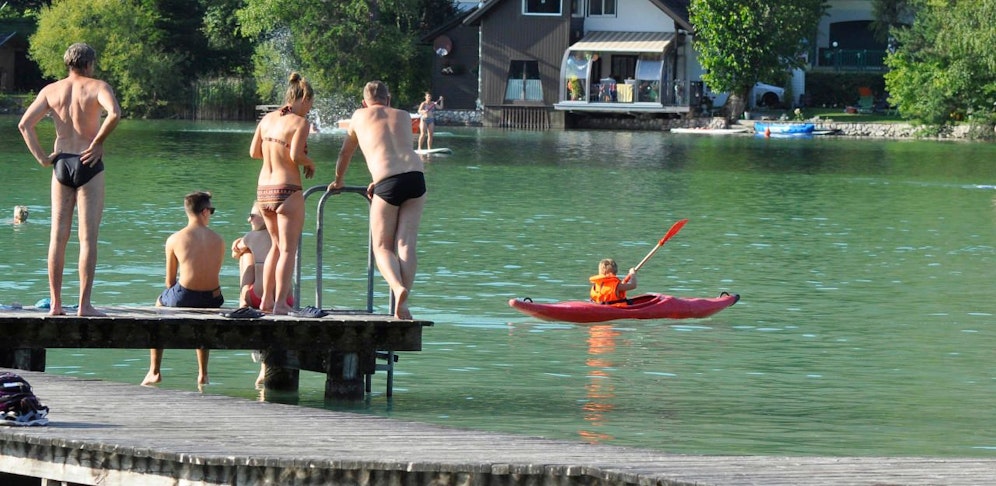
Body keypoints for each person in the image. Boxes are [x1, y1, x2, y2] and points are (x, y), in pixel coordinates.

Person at [17, 42, 122, 317]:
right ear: (90, 63)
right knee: (87, 239)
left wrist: (42, 158)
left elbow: (24, 125)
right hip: (89, 161)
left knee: (57, 237)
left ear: (68, 63)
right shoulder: (98, 87)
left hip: (62, 162)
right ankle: (84, 306)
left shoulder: (51, 90)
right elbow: (115, 113)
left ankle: (55, 305)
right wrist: (98, 141)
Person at [329, 81, 426, 320]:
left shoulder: (358, 117)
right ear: (389, 99)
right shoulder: (404, 115)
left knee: (382, 246)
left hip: (387, 182)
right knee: (406, 244)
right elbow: (396, 148)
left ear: (364, 103)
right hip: (416, 177)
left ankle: (397, 287)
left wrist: (338, 181)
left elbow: (345, 153)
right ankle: (403, 303)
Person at [249, 72, 316, 315]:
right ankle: (279, 304)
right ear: (304, 98)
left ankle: (266, 300)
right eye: (310, 104)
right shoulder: (300, 123)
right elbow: (295, 156)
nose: (309, 110)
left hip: (264, 190)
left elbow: (253, 152)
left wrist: (273, 150)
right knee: (288, 249)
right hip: (287, 189)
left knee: (275, 247)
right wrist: (309, 163)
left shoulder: (266, 119)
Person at [143, 191, 225, 388]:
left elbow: (169, 281)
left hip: (186, 295)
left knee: (158, 303)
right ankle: (203, 374)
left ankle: (154, 371)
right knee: (204, 320)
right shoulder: (219, 239)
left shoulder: (175, 239)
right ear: (205, 211)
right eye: (211, 211)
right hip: (214, 298)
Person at [231, 203, 293, 309]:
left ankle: (243, 303)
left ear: (265, 217)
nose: (249, 220)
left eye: (252, 216)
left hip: (257, 298)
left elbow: (235, 253)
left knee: (246, 253)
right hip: (287, 299)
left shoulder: (252, 236)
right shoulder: (286, 235)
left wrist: (237, 242)